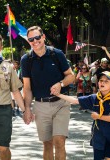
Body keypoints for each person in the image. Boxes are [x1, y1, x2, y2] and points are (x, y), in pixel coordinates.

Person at [21, 26, 75, 160]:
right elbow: (27, 88)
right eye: (31, 39)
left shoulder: (56, 54)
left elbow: (71, 76)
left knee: (59, 141)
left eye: (37, 37)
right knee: (47, 143)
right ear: (28, 41)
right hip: (40, 105)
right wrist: (26, 109)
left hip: (61, 103)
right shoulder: (26, 59)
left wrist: (61, 84)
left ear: (43, 37)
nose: (35, 41)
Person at [54, 71, 110, 160]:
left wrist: (99, 117)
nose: (102, 83)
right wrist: (59, 95)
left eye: (106, 81)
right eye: (101, 80)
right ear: (98, 83)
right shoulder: (94, 98)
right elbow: (76, 101)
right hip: (98, 136)